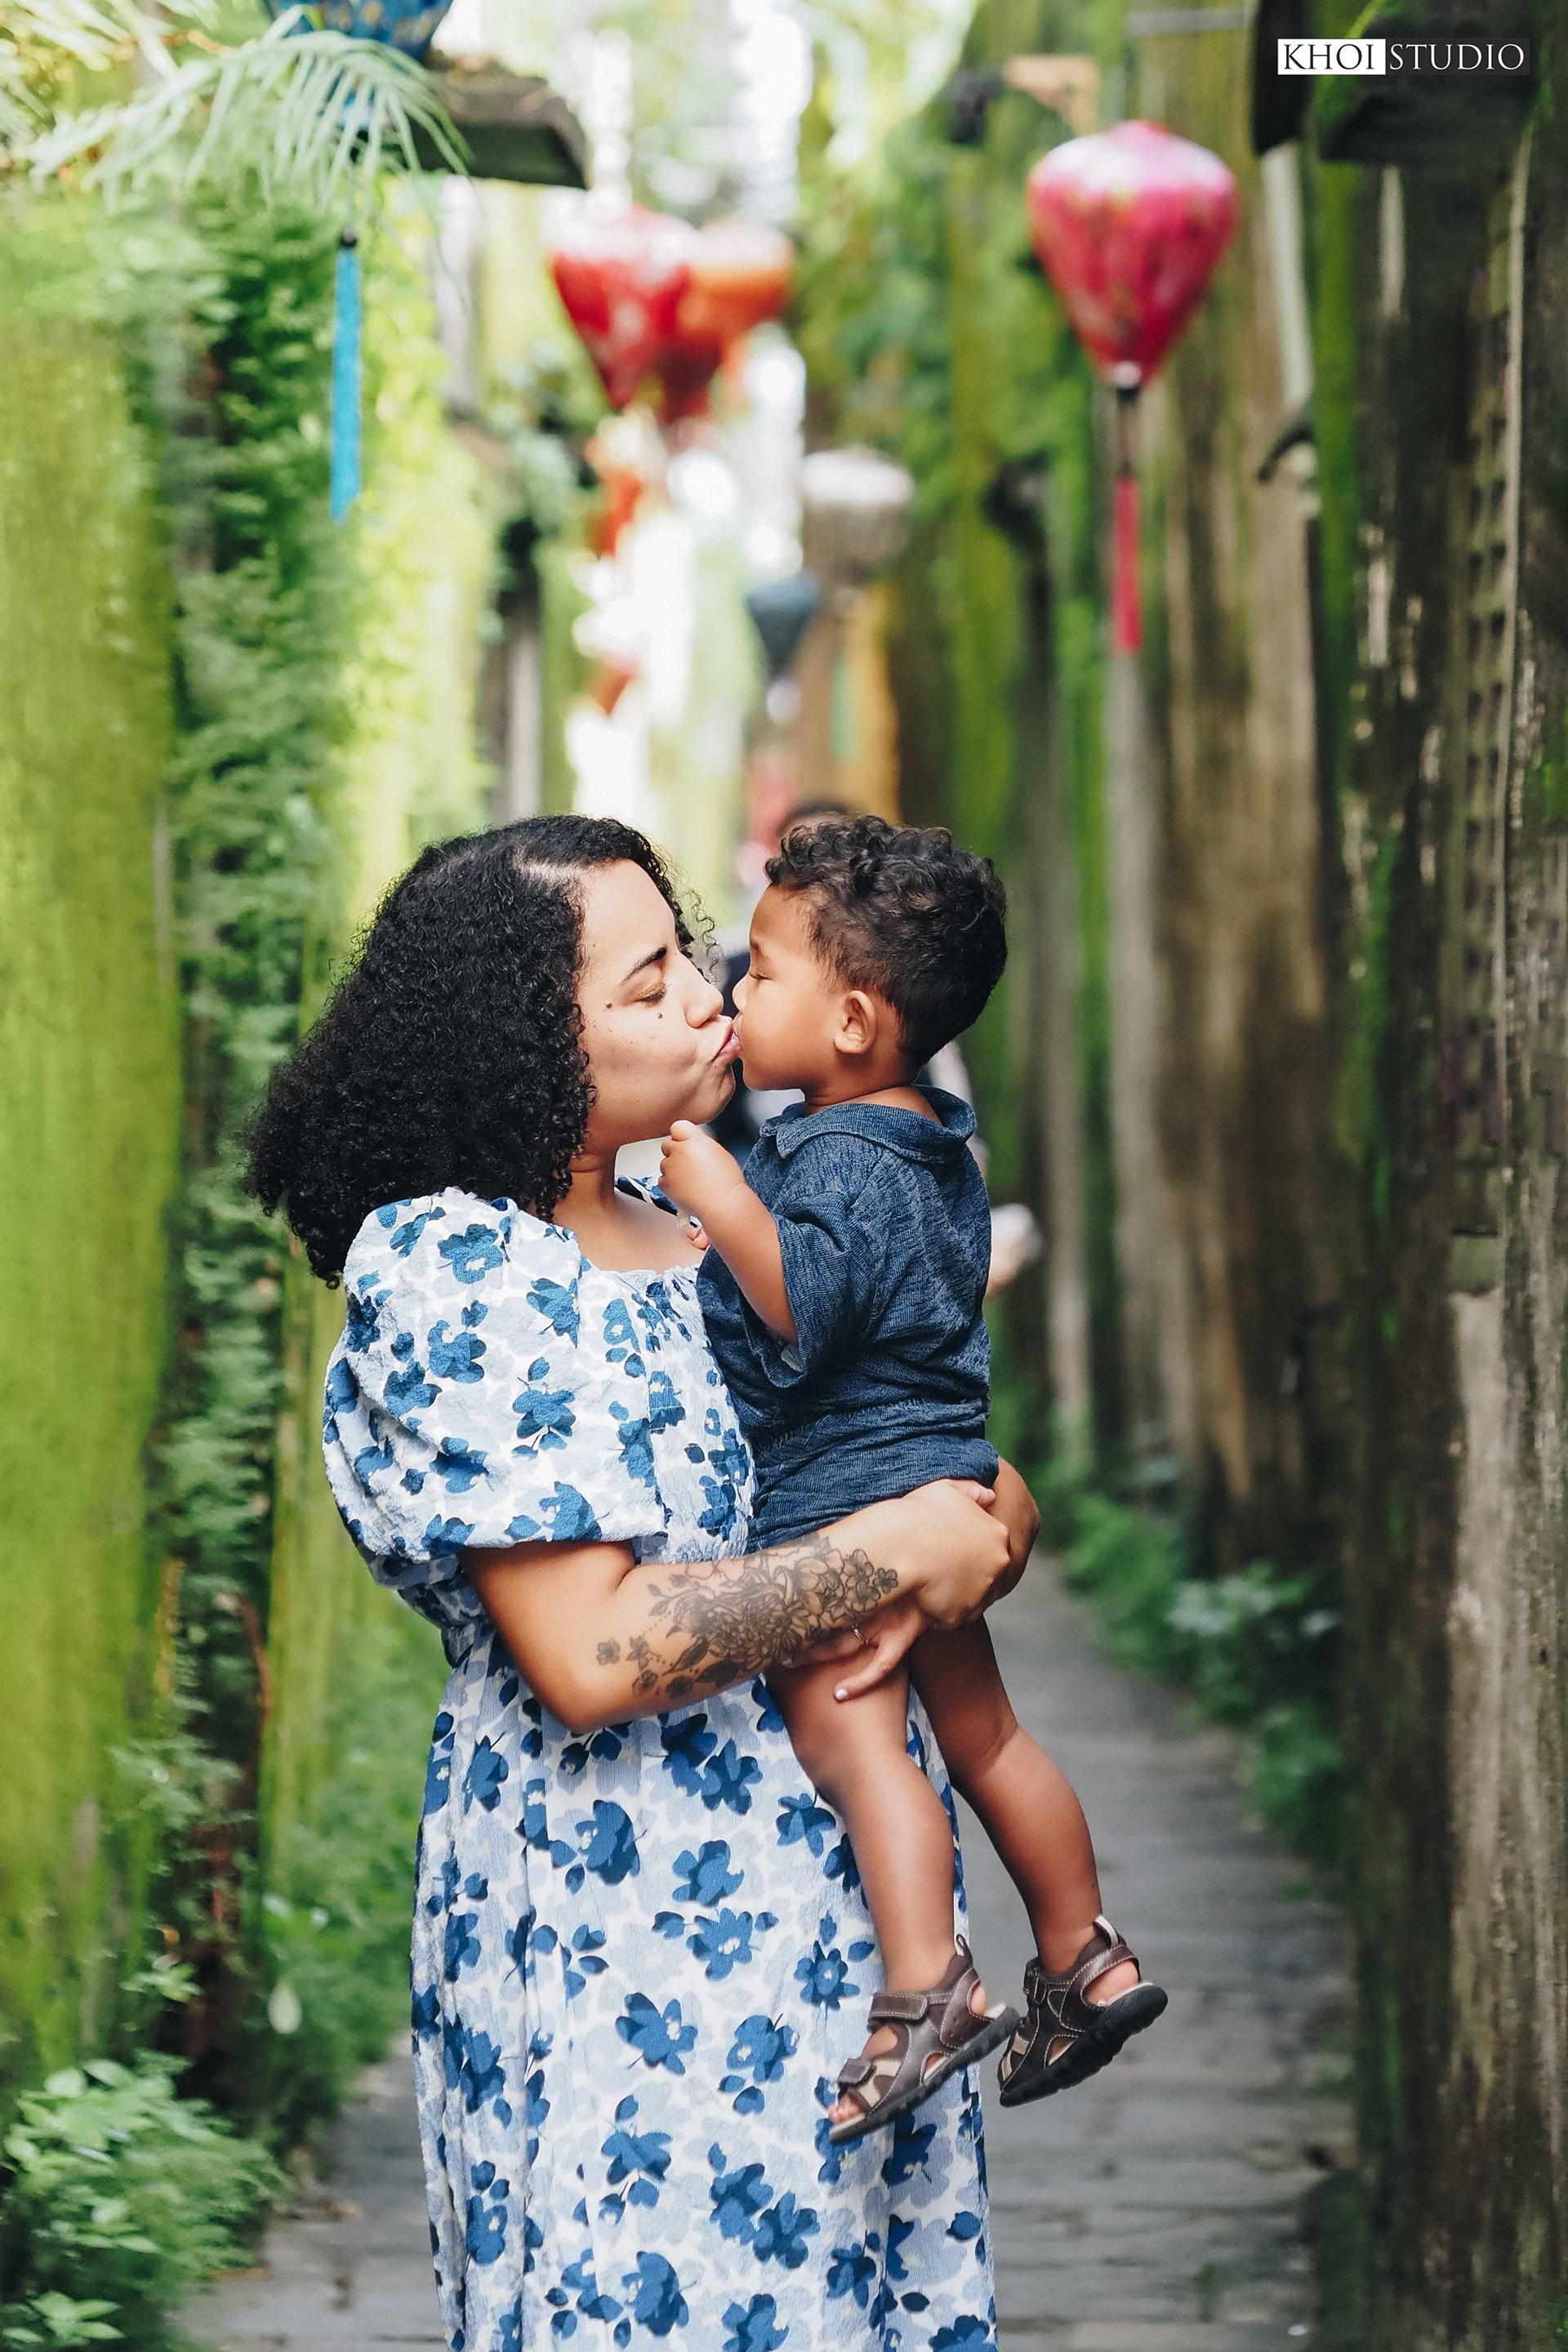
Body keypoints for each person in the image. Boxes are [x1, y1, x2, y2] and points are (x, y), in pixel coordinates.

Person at [245, 813, 1039, 2352]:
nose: (708, 993)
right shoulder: (470, 1270)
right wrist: (898, 1552)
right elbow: (592, 1655)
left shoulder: (710, 1232)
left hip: (844, 1914)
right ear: (527, 1046)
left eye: (692, 951)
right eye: (649, 979)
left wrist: (994, 1513)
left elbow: (906, 1453)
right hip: (631, 1917)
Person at [657, 816, 1166, 2146]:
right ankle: (1087, 1954)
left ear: (853, 1021)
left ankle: (927, 1988)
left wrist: (716, 1189)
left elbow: (803, 1305)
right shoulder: (928, 1138)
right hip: (935, 1474)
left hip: (850, 1500)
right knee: (987, 1739)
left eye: (761, 971)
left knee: (854, 1745)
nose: (733, 991)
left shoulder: (837, 1155)